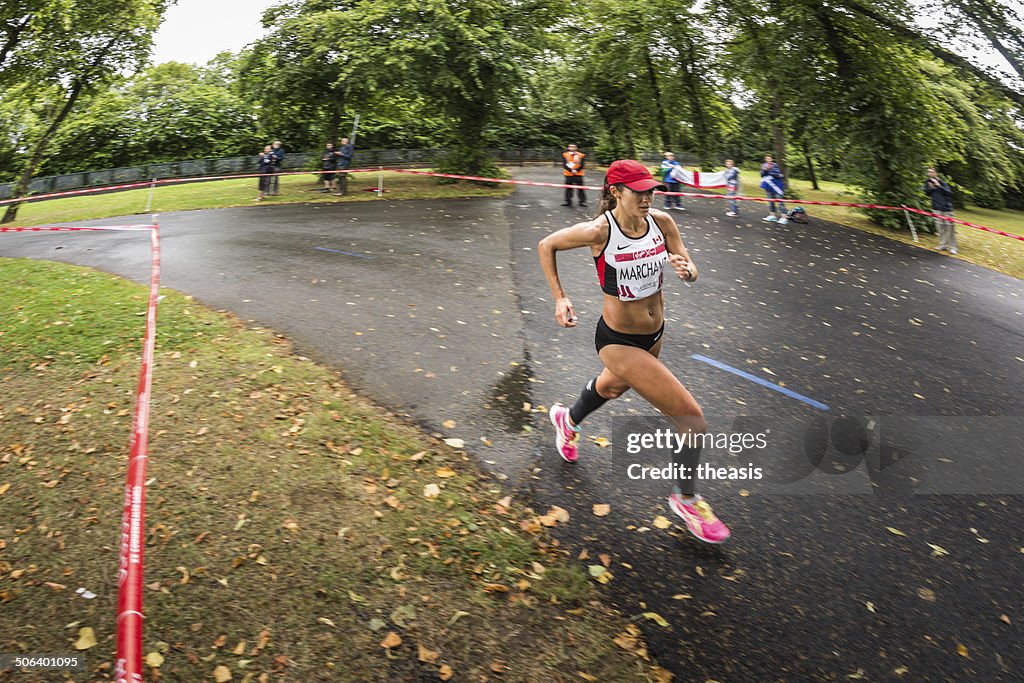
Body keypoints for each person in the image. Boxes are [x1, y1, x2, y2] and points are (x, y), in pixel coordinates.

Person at [538, 159, 731, 544]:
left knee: (611, 389)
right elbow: (547, 245)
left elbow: (691, 269)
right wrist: (560, 298)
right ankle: (686, 500)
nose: (647, 197)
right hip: (617, 340)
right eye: (638, 190)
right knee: (692, 420)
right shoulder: (599, 231)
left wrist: (686, 271)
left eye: (650, 190)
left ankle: (568, 420)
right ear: (615, 191)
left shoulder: (662, 223)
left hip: (654, 333)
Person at [923, 168, 957, 254]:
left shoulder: (943, 183)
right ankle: (943, 245)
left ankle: (953, 247)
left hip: (946, 208)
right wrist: (931, 188)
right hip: (936, 208)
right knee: (940, 227)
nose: (930, 173)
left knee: (950, 227)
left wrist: (939, 186)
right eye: (929, 172)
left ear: (936, 173)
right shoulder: (928, 182)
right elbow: (926, 193)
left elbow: (949, 193)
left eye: (932, 172)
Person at [760, 155, 788, 224]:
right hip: (768, 185)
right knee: (770, 201)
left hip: (777, 185)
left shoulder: (775, 165)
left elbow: (777, 174)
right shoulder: (763, 165)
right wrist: (764, 170)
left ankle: (784, 217)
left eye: (769, 158)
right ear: (765, 159)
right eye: (767, 158)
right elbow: (762, 174)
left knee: (780, 201)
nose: (768, 159)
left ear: (772, 159)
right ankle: (772, 216)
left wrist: (769, 170)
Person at [561, 144, 587, 208]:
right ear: (568, 148)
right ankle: (568, 201)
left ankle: (582, 201)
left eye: (573, 147)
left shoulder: (581, 155)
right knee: (568, 188)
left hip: (578, 174)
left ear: (576, 148)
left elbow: (582, 165)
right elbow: (564, 165)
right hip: (569, 174)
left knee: (580, 188)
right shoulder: (565, 155)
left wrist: (576, 170)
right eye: (570, 147)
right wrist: (571, 170)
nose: (572, 148)